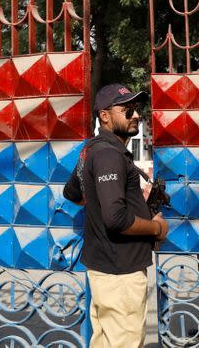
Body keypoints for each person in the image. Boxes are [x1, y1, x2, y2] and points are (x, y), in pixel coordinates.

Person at [64, 83, 169, 348]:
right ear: (105, 116)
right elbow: (116, 219)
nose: (136, 115)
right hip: (121, 275)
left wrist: (127, 199)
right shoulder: (110, 155)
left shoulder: (93, 150)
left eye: (137, 109)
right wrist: (157, 229)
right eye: (128, 110)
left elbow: (73, 193)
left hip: (104, 272)